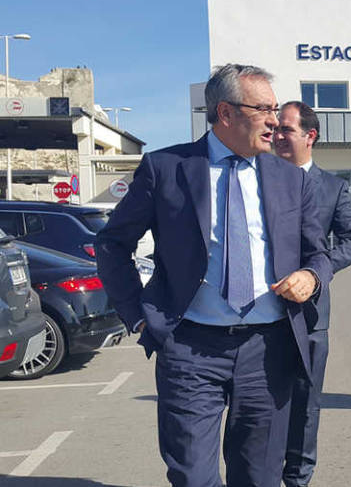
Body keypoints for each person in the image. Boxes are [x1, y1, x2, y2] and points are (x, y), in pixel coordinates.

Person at [95, 64, 332, 487]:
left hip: (268, 349)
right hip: (189, 348)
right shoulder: (166, 168)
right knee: (191, 475)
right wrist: (137, 315)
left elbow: (318, 251)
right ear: (225, 113)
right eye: (264, 109)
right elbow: (113, 244)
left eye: (276, 110)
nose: (276, 121)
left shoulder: (290, 178)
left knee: (258, 477)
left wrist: (311, 276)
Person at [274, 101, 351, 487]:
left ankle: (297, 480)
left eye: (286, 129)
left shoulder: (332, 187)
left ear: (310, 136)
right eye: (275, 128)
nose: (277, 135)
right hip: (250, 318)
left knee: (304, 409)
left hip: (309, 319)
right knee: (253, 410)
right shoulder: (255, 179)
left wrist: (315, 273)